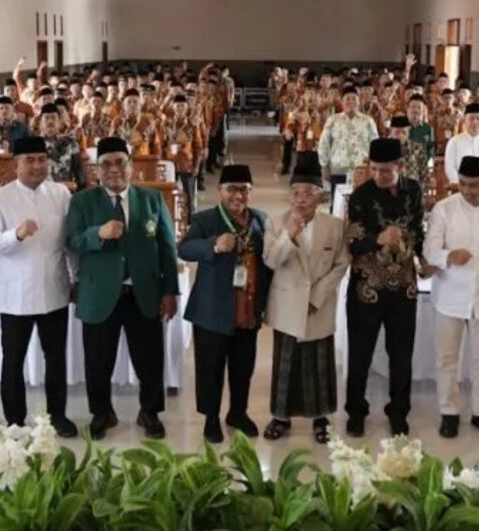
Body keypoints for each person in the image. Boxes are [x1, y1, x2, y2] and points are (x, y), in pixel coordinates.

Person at [65, 137, 180, 440]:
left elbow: (167, 248)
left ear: (131, 166)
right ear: (96, 170)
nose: (114, 169)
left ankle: (150, 412)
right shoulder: (82, 201)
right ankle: (102, 413)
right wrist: (98, 234)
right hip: (99, 294)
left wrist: (170, 292)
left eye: (120, 162)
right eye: (106, 164)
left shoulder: (152, 199)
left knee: (150, 358)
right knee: (97, 361)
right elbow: (72, 241)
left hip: (143, 293)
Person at [0, 137, 79, 437]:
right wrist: (16, 235)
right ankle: (15, 422)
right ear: (16, 164)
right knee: (13, 362)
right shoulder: (0, 198)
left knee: (56, 359)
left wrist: (75, 278)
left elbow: (70, 244)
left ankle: (57, 416)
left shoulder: (61, 194)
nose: (37, 166)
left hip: (54, 292)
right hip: (16, 297)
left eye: (41, 159)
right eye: (29, 160)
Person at [177, 165, 272, 444]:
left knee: (243, 367)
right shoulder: (206, 219)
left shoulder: (261, 219)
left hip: (248, 308)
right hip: (212, 310)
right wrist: (214, 245)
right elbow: (184, 249)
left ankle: (238, 413)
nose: (238, 195)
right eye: (232, 189)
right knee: (211, 368)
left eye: (244, 189)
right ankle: (211, 418)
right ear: (220, 190)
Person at [262, 152, 349, 444]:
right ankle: (280, 417)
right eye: (295, 193)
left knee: (319, 364)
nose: (300, 199)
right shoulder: (276, 223)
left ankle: (320, 418)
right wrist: (288, 236)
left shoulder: (334, 226)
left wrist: (318, 297)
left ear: (319, 196)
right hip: (287, 304)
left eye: (307, 193)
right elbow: (271, 261)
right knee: (285, 362)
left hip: (319, 305)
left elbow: (341, 264)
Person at [423, 156, 479, 439]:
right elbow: (429, 252)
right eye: (462, 184)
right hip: (449, 297)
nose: (467, 190)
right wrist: (450, 256)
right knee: (447, 359)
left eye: (474, 185)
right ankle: (449, 412)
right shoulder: (444, 209)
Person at [344, 138, 426, 437]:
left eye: (385, 170)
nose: (379, 175)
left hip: (404, 288)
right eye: (374, 169)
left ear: (400, 166)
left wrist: (423, 257)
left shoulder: (413, 191)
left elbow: (418, 229)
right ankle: (356, 411)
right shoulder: (360, 196)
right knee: (360, 354)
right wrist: (376, 239)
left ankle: (399, 411)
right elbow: (352, 244)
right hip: (367, 289)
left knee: (402, 354)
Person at [318, 85, 379, 208]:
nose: (351, 101)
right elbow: (324, 143)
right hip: (338, 169)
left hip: (361, 170)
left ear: (359, 101)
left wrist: (374, 167)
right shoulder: (333, 120)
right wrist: (324, 166)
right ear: (342, 102)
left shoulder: (368, 121)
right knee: (338, 205)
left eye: (354, 98)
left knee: (362, 205)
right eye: (347, 98)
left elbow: (375, 145)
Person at [162, 94, 205, 212]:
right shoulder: (167, 124)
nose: (180, 109)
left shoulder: (192, 125)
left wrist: (197, 166)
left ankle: (190, 219)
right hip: (170, 163)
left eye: (182, 106)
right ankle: (170, 216)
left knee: (188, 195)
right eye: (177, 106)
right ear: (173, 107)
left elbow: (198, 147)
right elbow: (162, 144)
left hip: (187, 164)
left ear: (186, 108)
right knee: (169, 193)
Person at [444, 103, 479, 185]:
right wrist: (464, 186)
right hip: (460, 189)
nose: (475, 122)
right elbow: (450, 169)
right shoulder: (453, 142)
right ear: (464, 121)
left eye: (478, 119)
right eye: (471, 119)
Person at [36, 102, 86, 190]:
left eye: (53, 118)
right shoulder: (33, 145)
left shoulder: (71, 143)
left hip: (66, 192)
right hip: (41, 192)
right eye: (46, 118)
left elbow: (79, 172)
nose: (50, 122)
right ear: (40, 122)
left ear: (59, 122)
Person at [110, 89, 161, 157]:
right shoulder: (117, 122)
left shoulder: (148, 122)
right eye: (129, 102)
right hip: (122, 161)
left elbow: (156, 147)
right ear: (123, 106)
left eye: (135, 102)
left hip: (143, 161)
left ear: (140, 105)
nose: (132, 105)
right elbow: (110, 146)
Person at [390, 115, 430, 184]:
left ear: (408, 131)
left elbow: (424, 175)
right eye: (397, 132)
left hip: (412, 187)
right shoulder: (383, 148)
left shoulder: (418, 148)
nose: (400, 136)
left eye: (404, 132)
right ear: (391, 131)